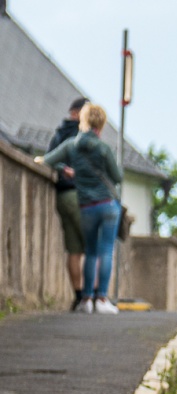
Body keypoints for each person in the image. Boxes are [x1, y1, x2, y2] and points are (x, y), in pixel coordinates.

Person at [39, 103, 123, 314]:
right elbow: (117, 177)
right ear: (101, 125)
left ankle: (86, 299)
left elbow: (46, 160)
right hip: (106, 204)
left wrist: (66, 169)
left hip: (86, 205)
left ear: (82, 121)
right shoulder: (103, 149)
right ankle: (102, 299)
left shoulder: (70, 145)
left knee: (91, 251)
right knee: (106, 251)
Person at [46, 97, 87, 310]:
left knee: (73, 249)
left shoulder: (59, 133)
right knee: (92, 246)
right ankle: (92, 298)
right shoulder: (81, 136)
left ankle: (78, 296)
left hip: (61, 195)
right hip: (78, 195)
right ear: (79, 113)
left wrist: (62, 169)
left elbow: (48, 158)